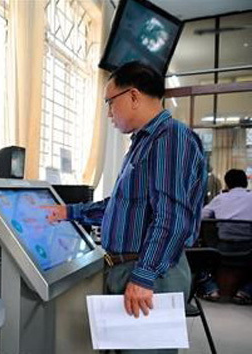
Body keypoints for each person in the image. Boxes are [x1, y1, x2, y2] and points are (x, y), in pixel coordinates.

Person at [46, 61, 207, 351]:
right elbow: (122, 206)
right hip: (134, 267)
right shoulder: (144, 143)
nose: (109, 113)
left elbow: (172, 217)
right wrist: (69, 213)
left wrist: (144, 276)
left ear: (133, 96)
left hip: (153, 272)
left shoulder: (170, 138)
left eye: (110, 102)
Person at [199, 168, 252, 304]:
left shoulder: (220, 199)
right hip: (249, 250)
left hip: (221, 249)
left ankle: (211, 289)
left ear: (227, 184)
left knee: (199, 261)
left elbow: (201, 216)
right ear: (246, 183)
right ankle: (245, 292)